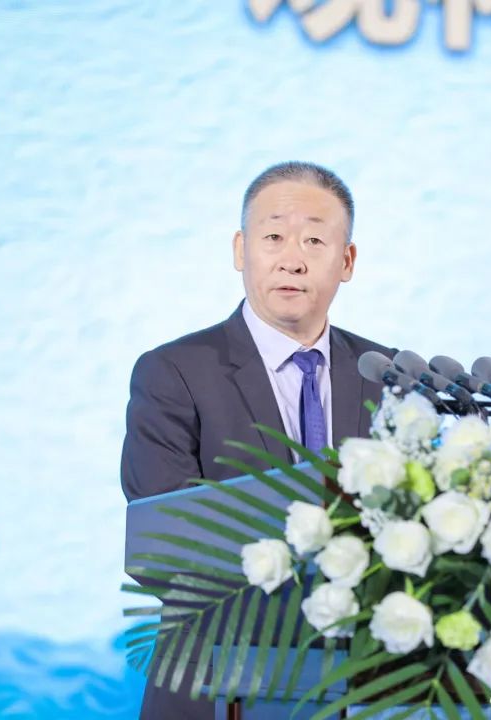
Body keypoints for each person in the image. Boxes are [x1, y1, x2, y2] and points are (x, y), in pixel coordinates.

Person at [121, 161, 393, 719]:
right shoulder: (173, 372)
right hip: (219, 683)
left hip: (361, 687)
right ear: (241, 250)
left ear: (346, 261)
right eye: (273, 237)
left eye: (314, 240)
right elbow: (164, 537)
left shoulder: (387, 374)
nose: (292, 258)